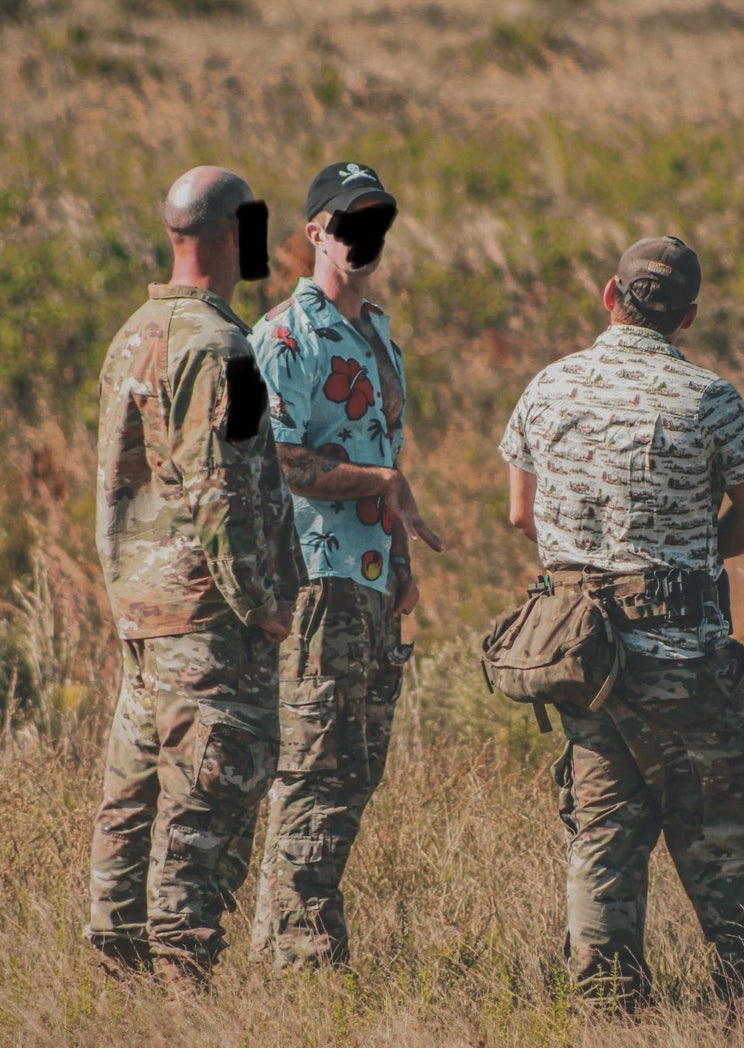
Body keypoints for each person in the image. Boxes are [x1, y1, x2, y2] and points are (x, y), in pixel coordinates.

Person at [498, 236, 744, 1013]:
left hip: (581, 659)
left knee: (602, 838)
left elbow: (519, 512)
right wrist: (696, 555)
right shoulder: (708, 398)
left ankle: (604, 1009)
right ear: (687, 316)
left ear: (609, 294)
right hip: (684, 659)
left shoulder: (548, 387)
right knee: (735, 835)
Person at [84, 166, 304, 981]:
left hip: (144, 610)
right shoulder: (223, 349)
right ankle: (183, 981)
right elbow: (223, 494)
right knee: (207, 798)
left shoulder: (133, 332)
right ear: (233, 235)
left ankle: (117, 966)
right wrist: (264, 606)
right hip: (209, 619)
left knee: (134, 795)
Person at [249, 160, 444, 968]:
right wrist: (384, 485)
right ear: (315, 234)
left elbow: (382, 448)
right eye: (347, 224)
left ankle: (296, 938)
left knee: (357, 765)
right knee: (317, 761)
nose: (363, 240)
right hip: (316, 573)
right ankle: (296, 954)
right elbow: (282, 462)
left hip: (367, 574)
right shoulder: (284, 337)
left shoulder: (378, 333)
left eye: (376, 224)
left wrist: (400, 559)